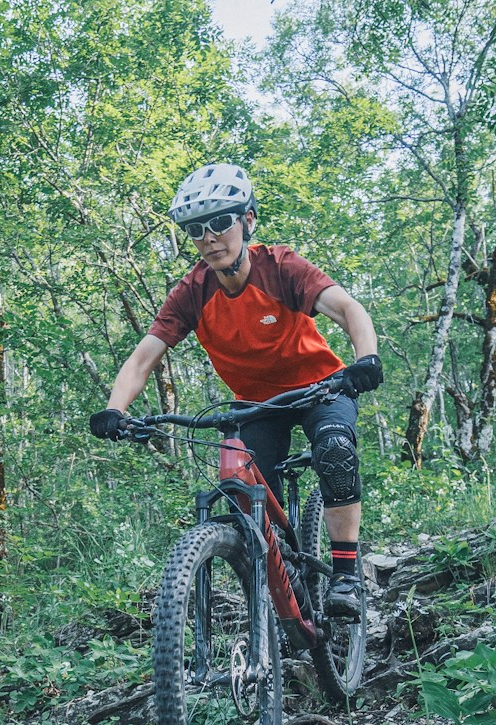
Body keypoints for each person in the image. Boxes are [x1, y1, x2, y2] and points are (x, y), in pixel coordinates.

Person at [87, 163, 382, 621]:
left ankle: (344, 572)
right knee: (244, 495)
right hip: (256, 405)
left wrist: (366, 358)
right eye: (196, 229)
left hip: (320, 387)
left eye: (221, 222)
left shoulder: (280, 267)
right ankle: (285, 583)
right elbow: (145, 356)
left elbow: (346, 308)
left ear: (247, 221)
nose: (209, 237)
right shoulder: (193, 291)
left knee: (335, 450)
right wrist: (114, 409)